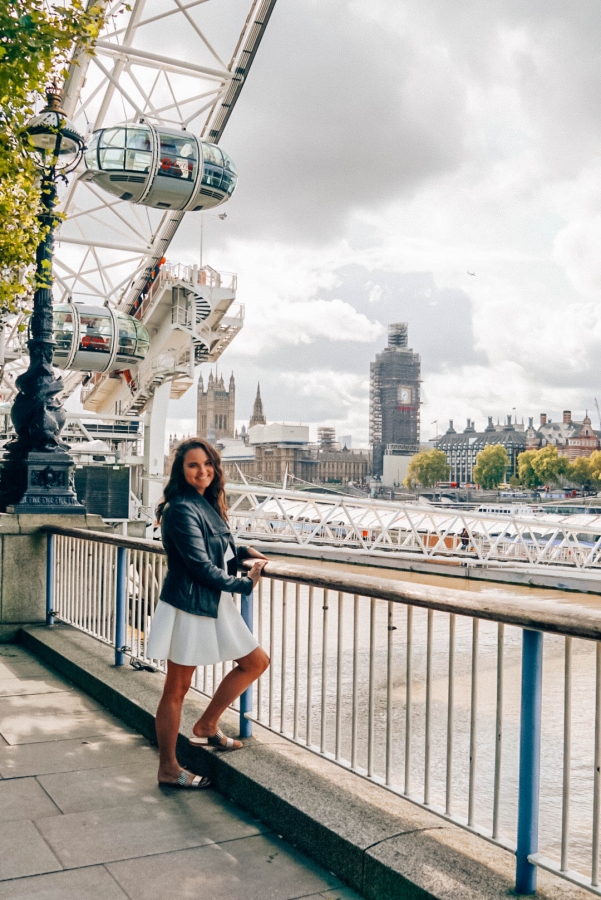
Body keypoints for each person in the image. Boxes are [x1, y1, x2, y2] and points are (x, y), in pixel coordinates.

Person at [147, 437, 269, 789]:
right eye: (192, 465)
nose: (202, 471)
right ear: (181, 471)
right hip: (189, 604)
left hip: (213, 603)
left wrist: (248, 551)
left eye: (207, 464)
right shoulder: (181, 509)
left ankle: (206, 726)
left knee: (255, 662)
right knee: (177, 688)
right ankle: (168, 767)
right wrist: (245, 584)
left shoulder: (206, 503)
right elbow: (200, 566)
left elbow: (222, 547)